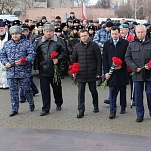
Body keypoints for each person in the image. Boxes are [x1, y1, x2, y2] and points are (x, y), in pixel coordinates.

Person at [0, 26, 36, 117]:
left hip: (23, 72)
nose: (14, 36)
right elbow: (2, 55)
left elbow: (32, 55)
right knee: (13, 91)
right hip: (11, 72)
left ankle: (31, 103)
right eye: (13, 34)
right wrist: (6, 63)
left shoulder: (26, 43)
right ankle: (14, 109)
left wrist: (24, 60)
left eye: (16, 34)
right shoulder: (7, 44)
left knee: (26, 89)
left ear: (20, 34)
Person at [34, 23, 64, 116]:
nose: (48, 33)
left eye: (50, 31)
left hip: (55, 70)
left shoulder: (59, 41)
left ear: (53, 32)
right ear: (43, 32)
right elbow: (36, 56)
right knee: (45, 90)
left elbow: (64, 53)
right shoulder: (39, 42)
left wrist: (58, 59)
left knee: (57, 88)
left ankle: (58, 102)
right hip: (43, 70)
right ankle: (45, 108)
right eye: (46, 31)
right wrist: (36, 68)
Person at [72, 29, 102, 118]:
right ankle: (81, 110)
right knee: (81, 93)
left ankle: (95, 105)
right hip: (81, 74)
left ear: (88, 35)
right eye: (81, 36)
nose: (83, 38)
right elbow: (73, 60)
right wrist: (73, 71)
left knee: (93, 91)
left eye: (85, 36)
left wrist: (98, 72)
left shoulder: (94, 45)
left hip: (92, 73)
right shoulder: (77, 46)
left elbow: (99, 59)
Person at [125, 25, 151, 122]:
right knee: (138, 95)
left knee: (150, 93)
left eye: (142, 32)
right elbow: (127, 57)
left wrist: (150, 65)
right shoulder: (131, 44)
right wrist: (134, 68)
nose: (140, 34)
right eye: (138, 32)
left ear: (145, 32)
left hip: (149, 73)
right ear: (135, 33)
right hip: (137, 73)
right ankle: (140, 114)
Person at [103, 26, 129, 119]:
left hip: (121, 71)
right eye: (112, 34)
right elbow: (105, 59)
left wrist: (122, 65)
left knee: (122, 90)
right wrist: (106, 72)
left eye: (116, 34)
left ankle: (123, 106)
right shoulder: (106, 44)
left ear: (119, 33)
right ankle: (112, 111)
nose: (114, 35)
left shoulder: (125, 43)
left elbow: (128, 56)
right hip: (111, 72)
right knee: (112, 91)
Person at [0, 21, 10, 89]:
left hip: (6, 56)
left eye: (2, 28)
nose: (1, 30)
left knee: (5, 70)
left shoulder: (8, 36)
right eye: (0, 28)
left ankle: (6, 84)